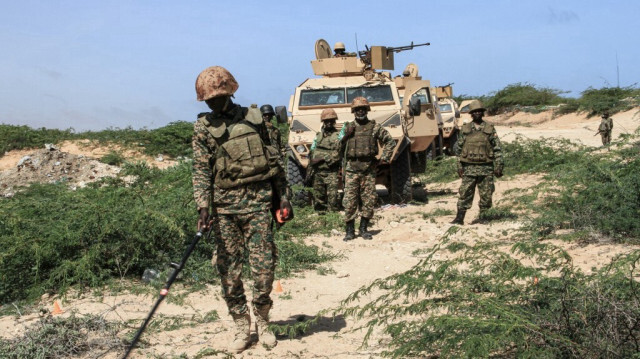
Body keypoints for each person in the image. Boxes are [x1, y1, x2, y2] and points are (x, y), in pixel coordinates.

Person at [192, 66, 292, 353]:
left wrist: (283, 197)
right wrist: (203, 207)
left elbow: (275, 162)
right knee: (229, 272)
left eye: (217, 98)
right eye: (208, 100)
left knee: (263, 270)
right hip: (224, 210)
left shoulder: (258, 121)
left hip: (258, 205)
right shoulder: (202, 129)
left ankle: (262, 321)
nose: (213, 103)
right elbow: (200, 170)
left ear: (231, 93)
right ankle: (240, 324)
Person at [338, 97, 395, 241]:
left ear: (367, 110)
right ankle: (349, 231)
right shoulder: (347, 127)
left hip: (369, 169)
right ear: (353, 111)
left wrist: (385, 158)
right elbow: (337, 147)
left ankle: (363, 229)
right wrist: (346, 136)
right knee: (350, 201)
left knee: (368, 200)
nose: (360, 111)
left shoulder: (375, 127)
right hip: (351, 169)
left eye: (363, 108)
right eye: (357, 109)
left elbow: (390, 141)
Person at [450, 100, 503, 225]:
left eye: (480, 111)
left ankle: (484, 217)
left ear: (483, 113)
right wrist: (459, 166)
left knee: (486, 194)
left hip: (486, 168)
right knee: (465, 193)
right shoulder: (466, 129)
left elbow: (497, 148)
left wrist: (499, 165)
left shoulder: (490, 129)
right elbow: (459, 150)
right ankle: (459, 218)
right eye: (475, 112)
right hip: (469, 168)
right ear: (471, 114)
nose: (478, 113)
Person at [308, 108, 342, 213]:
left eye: (331, 121)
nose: (329, 123)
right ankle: (321, 219)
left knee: (333, 198)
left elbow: (339, 153)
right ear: (323, 122)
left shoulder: (338, 136)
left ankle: (333, 219)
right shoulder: (318, 136)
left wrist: (322, 158)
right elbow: (312, 151)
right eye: (326, 121)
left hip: (331, 171)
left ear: (334, 122)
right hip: (318, 172)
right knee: (319, 197)